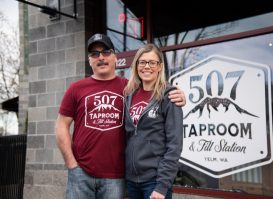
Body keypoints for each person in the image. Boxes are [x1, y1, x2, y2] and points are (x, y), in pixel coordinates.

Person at [55, 34, 185, 199]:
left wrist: (178, 95)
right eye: (94, 54)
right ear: (89, 60)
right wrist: (72, 165)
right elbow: (61, 126)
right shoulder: (77, 88)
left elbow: (173, 141)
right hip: (82, 173)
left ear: (115, 57)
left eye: (106, 52)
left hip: (117, 177)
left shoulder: (127, 88)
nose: (101, 57)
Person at [124, 44, 183, 199]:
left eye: (152, 62)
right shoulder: (129, 96)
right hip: (131, 180)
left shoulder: (169, 97)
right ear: (136, 66)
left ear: (160, 67)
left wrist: (162, 186)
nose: (147, 67)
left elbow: (174, 145)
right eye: (142, 62)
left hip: (154, 181)